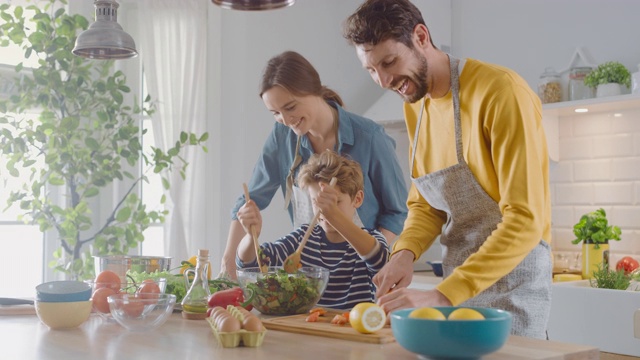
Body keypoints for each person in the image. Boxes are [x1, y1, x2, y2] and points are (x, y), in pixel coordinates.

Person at [343, 0, 552, 339]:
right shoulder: (417, 107)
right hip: (457, 294)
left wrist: (442, 294)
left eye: (389, 61)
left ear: (421, 36)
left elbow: (525, 221)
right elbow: (426, 204)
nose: (382, 80)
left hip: (513, 291)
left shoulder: (500, 92)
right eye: (371, 69)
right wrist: (404, 253)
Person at [220, 50, 408, 279]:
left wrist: (366, 257)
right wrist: (228, 260)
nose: (286, 120)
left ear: (315, 91)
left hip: (360, 277)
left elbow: (397, 212)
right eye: (275, 113)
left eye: (290, 107)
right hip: (307, 274)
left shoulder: (370, 137)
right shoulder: (282, 136)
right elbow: (250, 200)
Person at [236, 150, 390, 309]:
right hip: (309, 328)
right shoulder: (302, 238)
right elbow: (252, 264)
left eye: (334, 202)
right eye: (317, 202)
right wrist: (249, 236)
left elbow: (381, 263)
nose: (323, 211)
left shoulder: (370, 239)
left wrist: (335, 216)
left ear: (357, 199)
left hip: (354, 329)